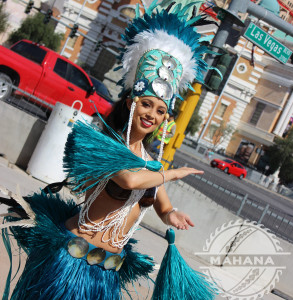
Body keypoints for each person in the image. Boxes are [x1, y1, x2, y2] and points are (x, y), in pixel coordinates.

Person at [0, 2, 217, 300]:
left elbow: (161, 203)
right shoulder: (106, 146)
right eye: (146, 104)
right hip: (71, 262)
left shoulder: (152, 165)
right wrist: (174, 172)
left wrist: (172, 215)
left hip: (107, 274)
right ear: (131, 103)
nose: (151, 113)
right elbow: (128, 181)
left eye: (160, 110)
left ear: (165, 119)